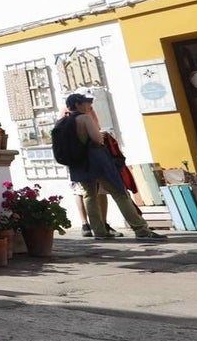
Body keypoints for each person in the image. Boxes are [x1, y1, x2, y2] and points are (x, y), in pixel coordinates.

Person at [62, 93, 165, 240]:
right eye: (86, 103)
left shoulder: (64, 122)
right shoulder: (84, 118)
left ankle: (99, 232)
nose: (89, 106)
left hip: (79, 165)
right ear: (78, 104)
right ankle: (141, 230)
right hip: (97, 162)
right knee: (120, 194)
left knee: (89, 196)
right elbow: (97, 140)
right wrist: (100, 135)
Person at [64, 104, 121, 237]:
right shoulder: (69, 112)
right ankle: (87, 224)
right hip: (81, 158)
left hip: (91, 157)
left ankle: (101, 225)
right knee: (82, 191)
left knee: (97, 191)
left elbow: (96, 130)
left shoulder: (89, 111)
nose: (89, 104)